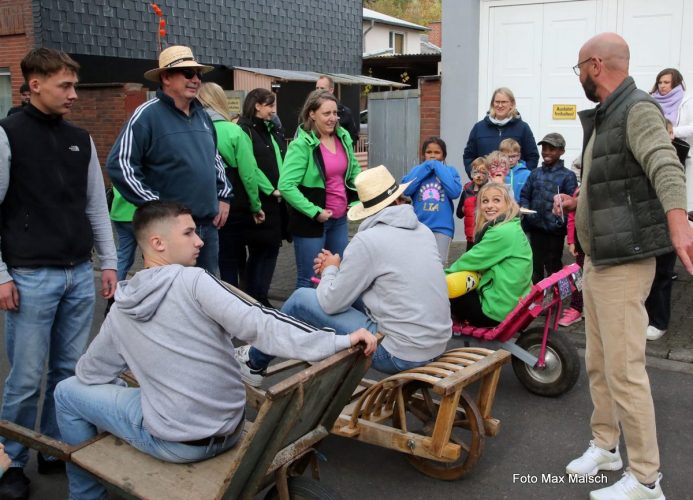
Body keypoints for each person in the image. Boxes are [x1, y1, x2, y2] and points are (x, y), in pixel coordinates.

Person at [53, 200, 376, 500]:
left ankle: (85, 495)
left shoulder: (121, 310)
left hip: (178, 443)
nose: (200, 241)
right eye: (189, 232)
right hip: (230, 429)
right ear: (157, 243)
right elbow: (261, 323)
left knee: (67, 391)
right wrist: (338, 340)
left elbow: (90, 374)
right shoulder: (195, 283)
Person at [558, 32, 693, 500]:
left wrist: (679, 225)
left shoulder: (637, 109)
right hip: (598, 260)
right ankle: (606, 446)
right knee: (599, 363)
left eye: (579, 69)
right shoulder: (607, 116)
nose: (579, 78)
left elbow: (664, 164)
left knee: (626, 370)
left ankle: (647, 479)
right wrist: (580, 201)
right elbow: (616, 180)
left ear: (595, 65)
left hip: (625, 263)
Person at [0, 47, 117, 499]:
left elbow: (96, 208)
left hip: (77, 274)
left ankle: (50, 445)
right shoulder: (8, 135)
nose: (73, 94)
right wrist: (3, 274)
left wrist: (107, 263)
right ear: (34, 85)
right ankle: (10, 457)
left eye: (74, 85)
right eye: (64, 86)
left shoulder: (80, 138)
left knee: (68, 372)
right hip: (30, 277)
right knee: (26, 377)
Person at [237, 165, 452, 385]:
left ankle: (254, 362)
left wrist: (330, 269)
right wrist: (336, 269)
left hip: (398, 354)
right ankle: (315, 347)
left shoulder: (368, 241)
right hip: (437, 342)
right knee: (337, 294)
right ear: (398, 199)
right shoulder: (423, 231)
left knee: (301, 299)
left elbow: (331, 304)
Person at [106, 45, 232, 276]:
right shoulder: (147, 115)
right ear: (165, 77)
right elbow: (120, 165)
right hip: (170, 233)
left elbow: (214, 159)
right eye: (187, 73)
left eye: (198, 74)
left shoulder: (202, 116)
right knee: (170, 296)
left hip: (207, 226)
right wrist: (158, 208)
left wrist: (224, 195)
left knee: (207, 293)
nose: (196, 79)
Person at [198, 84, 284, 306]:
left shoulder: (195, 129)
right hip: (234, 207)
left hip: (200, 205)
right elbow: (248, 174)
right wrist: (256, 206)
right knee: (239, 258)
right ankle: (241, 306)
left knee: (219, 260)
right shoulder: (233, 130)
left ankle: (221, 304)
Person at [278, 89, 361, 289]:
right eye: (326, 114)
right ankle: (300, 320)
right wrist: (315, 212)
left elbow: (354, 172)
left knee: (341, 274)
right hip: (312, 222)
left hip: (339, 220)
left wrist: (357, 199)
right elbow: (286, 186)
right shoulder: (301, 145)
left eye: (335, 113)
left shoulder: (343, 138)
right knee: (310, 279)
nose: (333, 118)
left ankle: (328, 318)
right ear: (312, 114)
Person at [447, 183, 532, 327]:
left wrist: (439, 278)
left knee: (448, 291)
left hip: (497, 311)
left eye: (496, 200)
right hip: (513, 303)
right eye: (485, 201)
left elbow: (469, 260)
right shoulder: (513, 226)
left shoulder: (501, 232)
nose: (489, 205)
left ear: (508, 203)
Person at [235, 88, 288, 306]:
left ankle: (261, 295)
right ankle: (252, 297)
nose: (273, 111)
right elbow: (250, 168)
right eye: (270, 106)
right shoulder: (244, 130)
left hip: (277, 201)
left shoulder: (271, 129)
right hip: (261, 200)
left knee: (272, 248)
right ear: (257, 105)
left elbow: (280, 159)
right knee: (259, 251)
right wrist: (271, 189)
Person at [520, 133, 578, 284]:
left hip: (554, 233)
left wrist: (559, 222)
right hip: (535, 229)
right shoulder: (535, 173)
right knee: (534, 268)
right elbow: (525, 195)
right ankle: (536, 303)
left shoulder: (568, 176)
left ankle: (560, 299)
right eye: (544, 148)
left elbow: (572, 204)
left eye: (551, 149)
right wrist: (527, 212)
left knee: (554, 269)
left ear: (561, 151)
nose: (546, 152)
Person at [401, 136, 461, 264]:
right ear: (423, 155)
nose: (432, 156)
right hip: (418, 226)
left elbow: (454, 192)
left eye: (437, 152)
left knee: (438, 264)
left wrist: (437, 167)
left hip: (442, 228)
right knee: (418, 263)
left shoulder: (450, 171)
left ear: (443, 156)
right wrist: (427, 167)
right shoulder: (417, 171)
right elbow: (406, 190)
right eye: (429, 152)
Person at [463, 87, 540, 177]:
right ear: (492, 104)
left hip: (513, 185)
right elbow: (469, 156)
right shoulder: (479, 128)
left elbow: (532, 157)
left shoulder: (523, 128)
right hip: (485, 185)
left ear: (512, 104)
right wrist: (476, 175)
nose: (500, 105)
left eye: (504, 102)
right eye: (497, 102)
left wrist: (522, 177)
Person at [650, 68, 693, 213]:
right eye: (660, 82)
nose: (662, 85)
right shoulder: (651, 100)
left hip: (680, 154)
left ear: (676, 83)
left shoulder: (687, 101)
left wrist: (672, 132)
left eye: (666, 82)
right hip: (655, 152)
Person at [315, 74, 359, 145]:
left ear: (331, 90)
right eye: (317, 88)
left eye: (322, 88)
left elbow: (353, 138)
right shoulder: (310, 111)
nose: (318, 91)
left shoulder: (345, 112)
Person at [456, 157, 489, 251]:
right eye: (476, 172)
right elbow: (459, 214)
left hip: (485, 235)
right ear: (471, 173)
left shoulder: (489, 190)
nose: (479, 176)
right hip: (470, 236)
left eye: (483, 173)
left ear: (488, 174)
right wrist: (464, 209)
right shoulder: (466, 191)